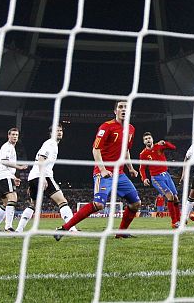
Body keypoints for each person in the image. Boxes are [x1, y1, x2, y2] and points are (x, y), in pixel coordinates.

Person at [55, 101, 140, 239]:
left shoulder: (131, 129)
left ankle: (121, 233)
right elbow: (96, 149)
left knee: (136, 203)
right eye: (120, 107)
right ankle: (64, 228)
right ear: (115, 111)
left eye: (126, 107)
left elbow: (126, 150)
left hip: (120, 174)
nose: (123, 110)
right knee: (99, 204)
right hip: (104, 173)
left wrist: (130, 168)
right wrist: (103, 169)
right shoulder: (106, 127)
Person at [15, 123, 76, 232]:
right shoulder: (50, 143)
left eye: (60, 130)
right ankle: (72, 228)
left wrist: (34, 182)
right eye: (57, 131)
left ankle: (19, 229)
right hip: (43, 175)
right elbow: (41, 160)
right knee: (62, 201)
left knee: (33, 205)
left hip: (33, 177)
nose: (59, 132)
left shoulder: (52, 144)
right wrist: (42, 178)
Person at [139, 132, 180, 228]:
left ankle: (179, 220)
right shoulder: (143, 154)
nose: (148, 140)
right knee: (170, 196)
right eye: (146, 139)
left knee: (176, 198)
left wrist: (165, 143)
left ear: (152, 139)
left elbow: (173, 148)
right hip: (156, 178)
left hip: (166, 175)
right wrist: (144, 178)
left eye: (149, 138)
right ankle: (174, 222)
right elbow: (142, 168)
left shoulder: (159, 146)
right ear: (144, 142)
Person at [0, 127, 28, 232]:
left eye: (16, 135)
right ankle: (8, 226)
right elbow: (4, 161)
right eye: (13, 135)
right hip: (4, 176)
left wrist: (14, 177)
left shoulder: (11, 148)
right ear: (8, 136)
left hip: (1, 177)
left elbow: (7, 166)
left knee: (6, 203)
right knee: (13, 198)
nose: (15, 137)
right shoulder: (8, 147)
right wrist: (19, 167)